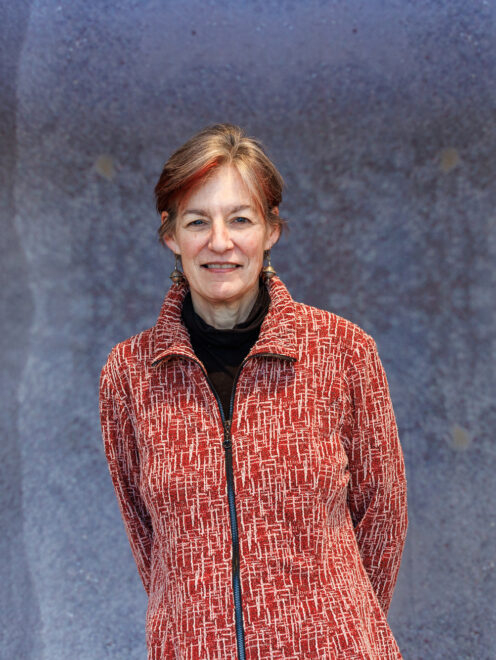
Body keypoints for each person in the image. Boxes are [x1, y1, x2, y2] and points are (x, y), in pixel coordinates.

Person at [99, 123, 408, 659]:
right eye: (198, 221)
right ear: (171, 236)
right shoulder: (129, 372)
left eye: (240, 219)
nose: (220, 242)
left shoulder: (342, 351)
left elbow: (383, 517)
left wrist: (330, 631)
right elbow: (151, 542)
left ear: (271, 231)